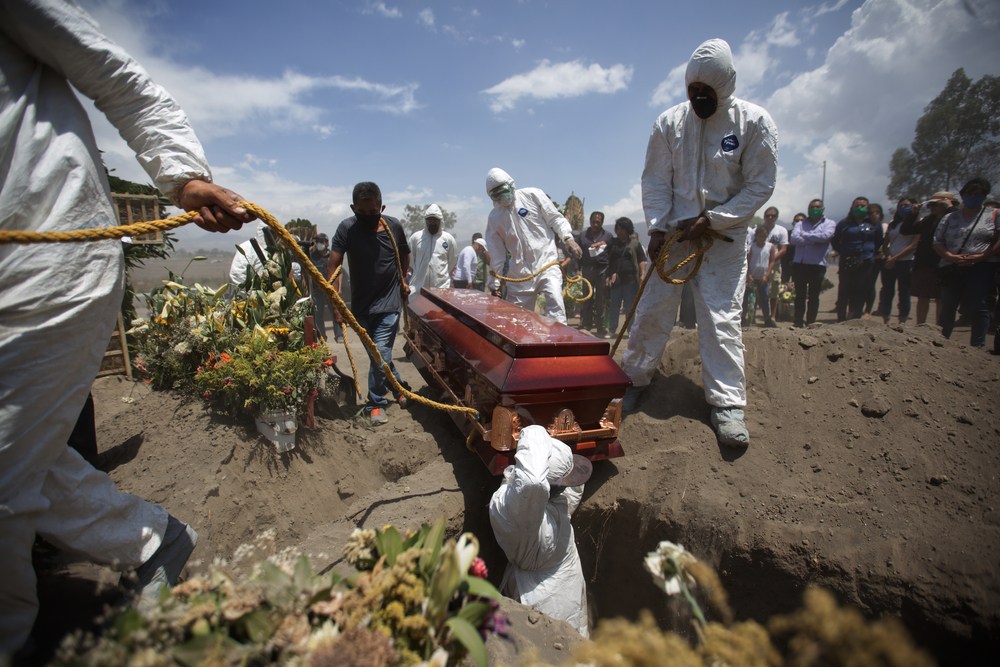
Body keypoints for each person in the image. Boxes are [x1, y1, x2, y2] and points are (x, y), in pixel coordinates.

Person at [0, 0, 255, 655]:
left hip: (45, 263)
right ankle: (151, 538)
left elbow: (115, 75)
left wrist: (184, 176)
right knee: (26, 453)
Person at [620, 38, 778, 450]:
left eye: (707, 93)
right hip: (674, 237)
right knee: (653, 310)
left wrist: (713, 219)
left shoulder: (754, 123)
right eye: (693, 92)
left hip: (722, 240)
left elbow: (761, 185)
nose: (699, 99)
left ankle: (726, 405)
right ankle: (634, 380)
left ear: (725, 87)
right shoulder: (669, 123)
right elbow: (655, 180)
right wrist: (656, 229)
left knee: (720, 317)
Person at [488, 426, 593, 638]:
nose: (567, 487)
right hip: (542, 598)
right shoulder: (516, 513)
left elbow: (548, 482)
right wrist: (533, 431)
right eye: (563, 483)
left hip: (566, 584)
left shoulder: (555, 501)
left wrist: (543, 441)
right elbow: (532, 482)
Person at [327, 182, 411, 424]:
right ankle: (398, 388)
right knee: (379, 358)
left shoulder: (393, 226)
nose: (366, 217)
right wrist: (336, 304)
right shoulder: (347, 228)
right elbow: (332, 265)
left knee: (380, 352)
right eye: (361, 213)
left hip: (389, 302)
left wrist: (403, 280)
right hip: (361, 307)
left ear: (381, 207)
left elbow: (404, 254)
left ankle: (375, 403)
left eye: (372, 212)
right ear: (353, 208)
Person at [484, 167, 583, 323]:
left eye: (503, 191)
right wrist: (495, 284)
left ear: (511, 184)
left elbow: (555, 219)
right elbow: (497, 254)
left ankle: (558, 343)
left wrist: (568, 238)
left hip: (546, 262)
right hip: (519, 273)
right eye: (497, 194)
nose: (502, 197)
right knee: (517, 319)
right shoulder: (495, 218)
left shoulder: (532, 195)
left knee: (555, 302)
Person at [932, 177, 1000, 347]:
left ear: (984, 196)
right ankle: (940, 343)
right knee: (948, 306)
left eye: (978, 194)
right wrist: (950, 257)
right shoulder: (950, 218)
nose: (973, 197)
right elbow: (937, 241)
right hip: (952, 266)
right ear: (963, 195)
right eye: (969, 193)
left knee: (980, 305)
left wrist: (982, 257)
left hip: (982, 267)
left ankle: (977, 346)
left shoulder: (994, 215)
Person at [905, 191, 956, 325]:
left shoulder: (953, 218)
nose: (932, 207)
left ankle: (940, 328)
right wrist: (914, 213)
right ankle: (920, 326)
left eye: (936, 204)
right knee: (923, 296)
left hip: (944, 263)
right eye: (930, 204)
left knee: (941, 298)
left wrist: (950, 208)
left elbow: (959, 222)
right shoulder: (928, 220)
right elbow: (906, 230)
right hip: (924, 263)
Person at [831, 196, 883, 322]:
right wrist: (843, 251)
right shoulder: (844, 224)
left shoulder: (873, 224)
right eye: (857, 206)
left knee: (860, 290)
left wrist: (869, 252)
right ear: (852, 208)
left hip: (865, 262)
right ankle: (841, 319)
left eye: (863, 206)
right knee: (844, 290)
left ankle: (855, 318)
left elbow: (879, 240)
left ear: (867, 208)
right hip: (847, 261)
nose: (860, 208)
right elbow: (835, 240)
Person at [790, 200, 836, 327]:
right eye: (812, 207)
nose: (814, 209)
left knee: (814, 295)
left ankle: (811, 321)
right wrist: (814, 239)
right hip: (800, 264)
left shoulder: (830, 223)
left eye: (817, 207)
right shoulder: (800, 223)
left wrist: (805, 236)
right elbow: (794, 238)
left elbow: (825, 237)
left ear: (822, 209)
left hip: (817, 265)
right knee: (799, 295)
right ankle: (798, 321)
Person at [876, 199, 920, 325]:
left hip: (906, 261)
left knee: (904, 291)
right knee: (887, 290)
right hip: (890, 260)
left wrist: (895, 258)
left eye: (906, 205)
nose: (903, 207)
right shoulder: (893, 224)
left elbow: (913, 245)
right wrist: (889, 256)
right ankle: (886, 318)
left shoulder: (917, 223)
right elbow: (886, 243)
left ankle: (902, 320)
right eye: (901, 205)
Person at [606, 217, 648, 337]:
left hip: (630, 280)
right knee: (615, 305)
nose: (619, 232)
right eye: (618, 229)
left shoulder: (635, 243)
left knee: (630, 307)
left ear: (628, 229)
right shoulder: (612, 243)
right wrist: (610, 274)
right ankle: (612, 330)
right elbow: (608, 260)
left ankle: (631, 331)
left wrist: (642, 274)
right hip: (616, 280)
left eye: (622, 229)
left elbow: (642, 260)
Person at [577, 211, 613, 338]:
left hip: (602, 270)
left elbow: (612, 254)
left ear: (602, 222)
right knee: (587, 298)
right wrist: (577, 269)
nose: (595, 224)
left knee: (601, 300)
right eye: (593, 221)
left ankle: (600, 327)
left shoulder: (608, 236)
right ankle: (586, 324)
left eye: (598, 222)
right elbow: (578, 254)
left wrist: (610, 273)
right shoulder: (582, 236)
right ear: (590, 221)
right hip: (587, 269)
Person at [407, 204, 456, 294]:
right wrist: (420, 271)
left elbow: (451, 262)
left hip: (441, 289)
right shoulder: (416, 238)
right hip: (418, 288)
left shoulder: (448, 239)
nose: (432, 222)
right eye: (430, 220)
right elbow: (411, 261)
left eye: (435, 220)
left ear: (440, 221)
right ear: (426, 221)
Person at [309, 233, 343, 343]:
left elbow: (339, 273)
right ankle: (322, 336)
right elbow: (307, 272)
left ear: (326, 243)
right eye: (317, 241)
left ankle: (339, 335)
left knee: (335, 312)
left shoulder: (332, 256)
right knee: (318, 314)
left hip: (330, 289)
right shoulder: (312, 256)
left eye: (321, 241)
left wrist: (339, 288)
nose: (319, 244)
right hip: (317, 290)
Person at [743, 226, 777, 327]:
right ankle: (745, 318)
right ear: (756, 236)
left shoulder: (770, 247)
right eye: (760, 235)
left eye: (764, 236)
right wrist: (748, 274)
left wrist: (767, 275)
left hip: (763, 277)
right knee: (748, 298)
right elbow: (747, 261)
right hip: (752, 276)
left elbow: (772, 261)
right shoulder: (752, 247)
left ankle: (767, 319)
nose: (762, 238)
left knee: (764, 298)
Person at [863, 203, 886, 319]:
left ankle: (868, 310)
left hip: (874, 260)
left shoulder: (879, 226)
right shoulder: (865, 224)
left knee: (870, 285)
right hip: (862, 259)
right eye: (871, 212)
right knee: (859, 285)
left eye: (877, 212)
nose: (874, 214)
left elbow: (879, 242)